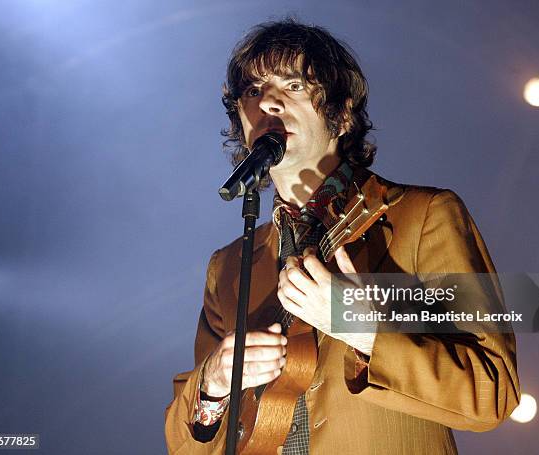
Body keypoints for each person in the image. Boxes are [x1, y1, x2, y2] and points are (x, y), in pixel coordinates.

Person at [165, 20, 520, 454]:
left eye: (293, 85)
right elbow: (185, 444)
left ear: (342, 114)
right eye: (253, 90)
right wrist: (214, 385)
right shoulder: (227, 267)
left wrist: (361, 326)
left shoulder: (423, 217)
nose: (268, 102)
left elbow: (493, 391)